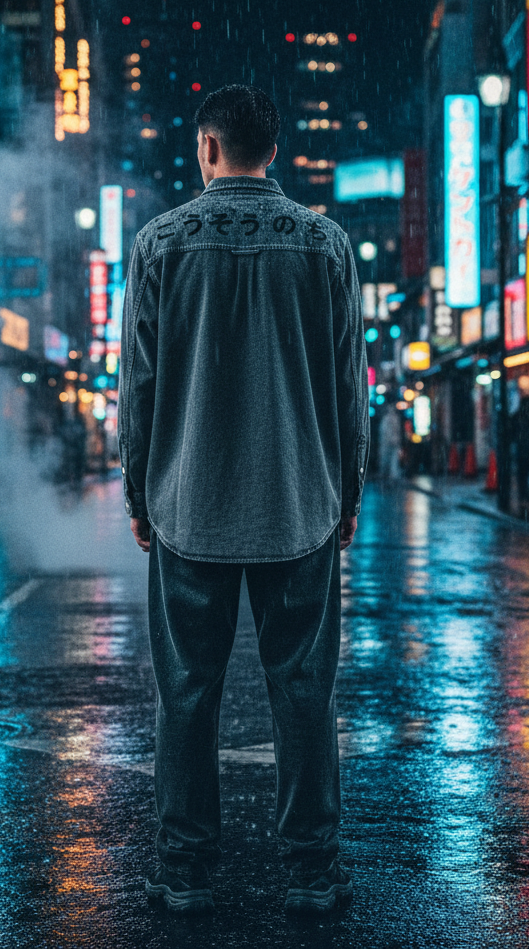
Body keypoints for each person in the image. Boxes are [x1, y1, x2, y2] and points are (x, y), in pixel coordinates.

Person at [119, 85, 369, 915]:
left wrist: (139, 492)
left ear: (207, 148)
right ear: (275, 148)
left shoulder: (159, 243)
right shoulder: (325, 243)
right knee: (304, 692)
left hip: (190, 505)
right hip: (299, 503)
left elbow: (140, 387)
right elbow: (346, 387)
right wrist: (347, 491)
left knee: (187, 695)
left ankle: (186, 872)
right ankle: (310, 870)